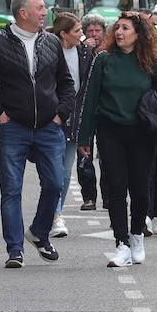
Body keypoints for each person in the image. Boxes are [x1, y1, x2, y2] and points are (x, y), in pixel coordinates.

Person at [0, 0, 74, 268]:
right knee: (11, 189)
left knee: (54, 184)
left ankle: (39, 234)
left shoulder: (52, 42)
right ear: (23, 13)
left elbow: (66, 84)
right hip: (12, 127)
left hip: (49, 128)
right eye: (40, 8)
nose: (45, 13)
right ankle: (15, 249)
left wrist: (60, 114)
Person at [77, 12, 157, 267]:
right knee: (116, 188)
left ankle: (137, 234)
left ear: (139, 34)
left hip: (142, 132)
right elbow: (89, 100)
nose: (119, 33)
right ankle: (122, 244)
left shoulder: (152, 61)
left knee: (140, 190)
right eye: (117, 28)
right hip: (110, 131)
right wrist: (84, 137)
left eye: (125, 28)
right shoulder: (103, 60)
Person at [49, 13, 94, 238]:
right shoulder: (47, 50)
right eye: (77, 31)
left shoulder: (85, 53)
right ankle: (54, 215)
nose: (82, 35)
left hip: (74, 120)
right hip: (52, 118)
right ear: (63, 34)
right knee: (53, 170)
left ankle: (55, 214)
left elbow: (86, 89)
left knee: (66, 171)